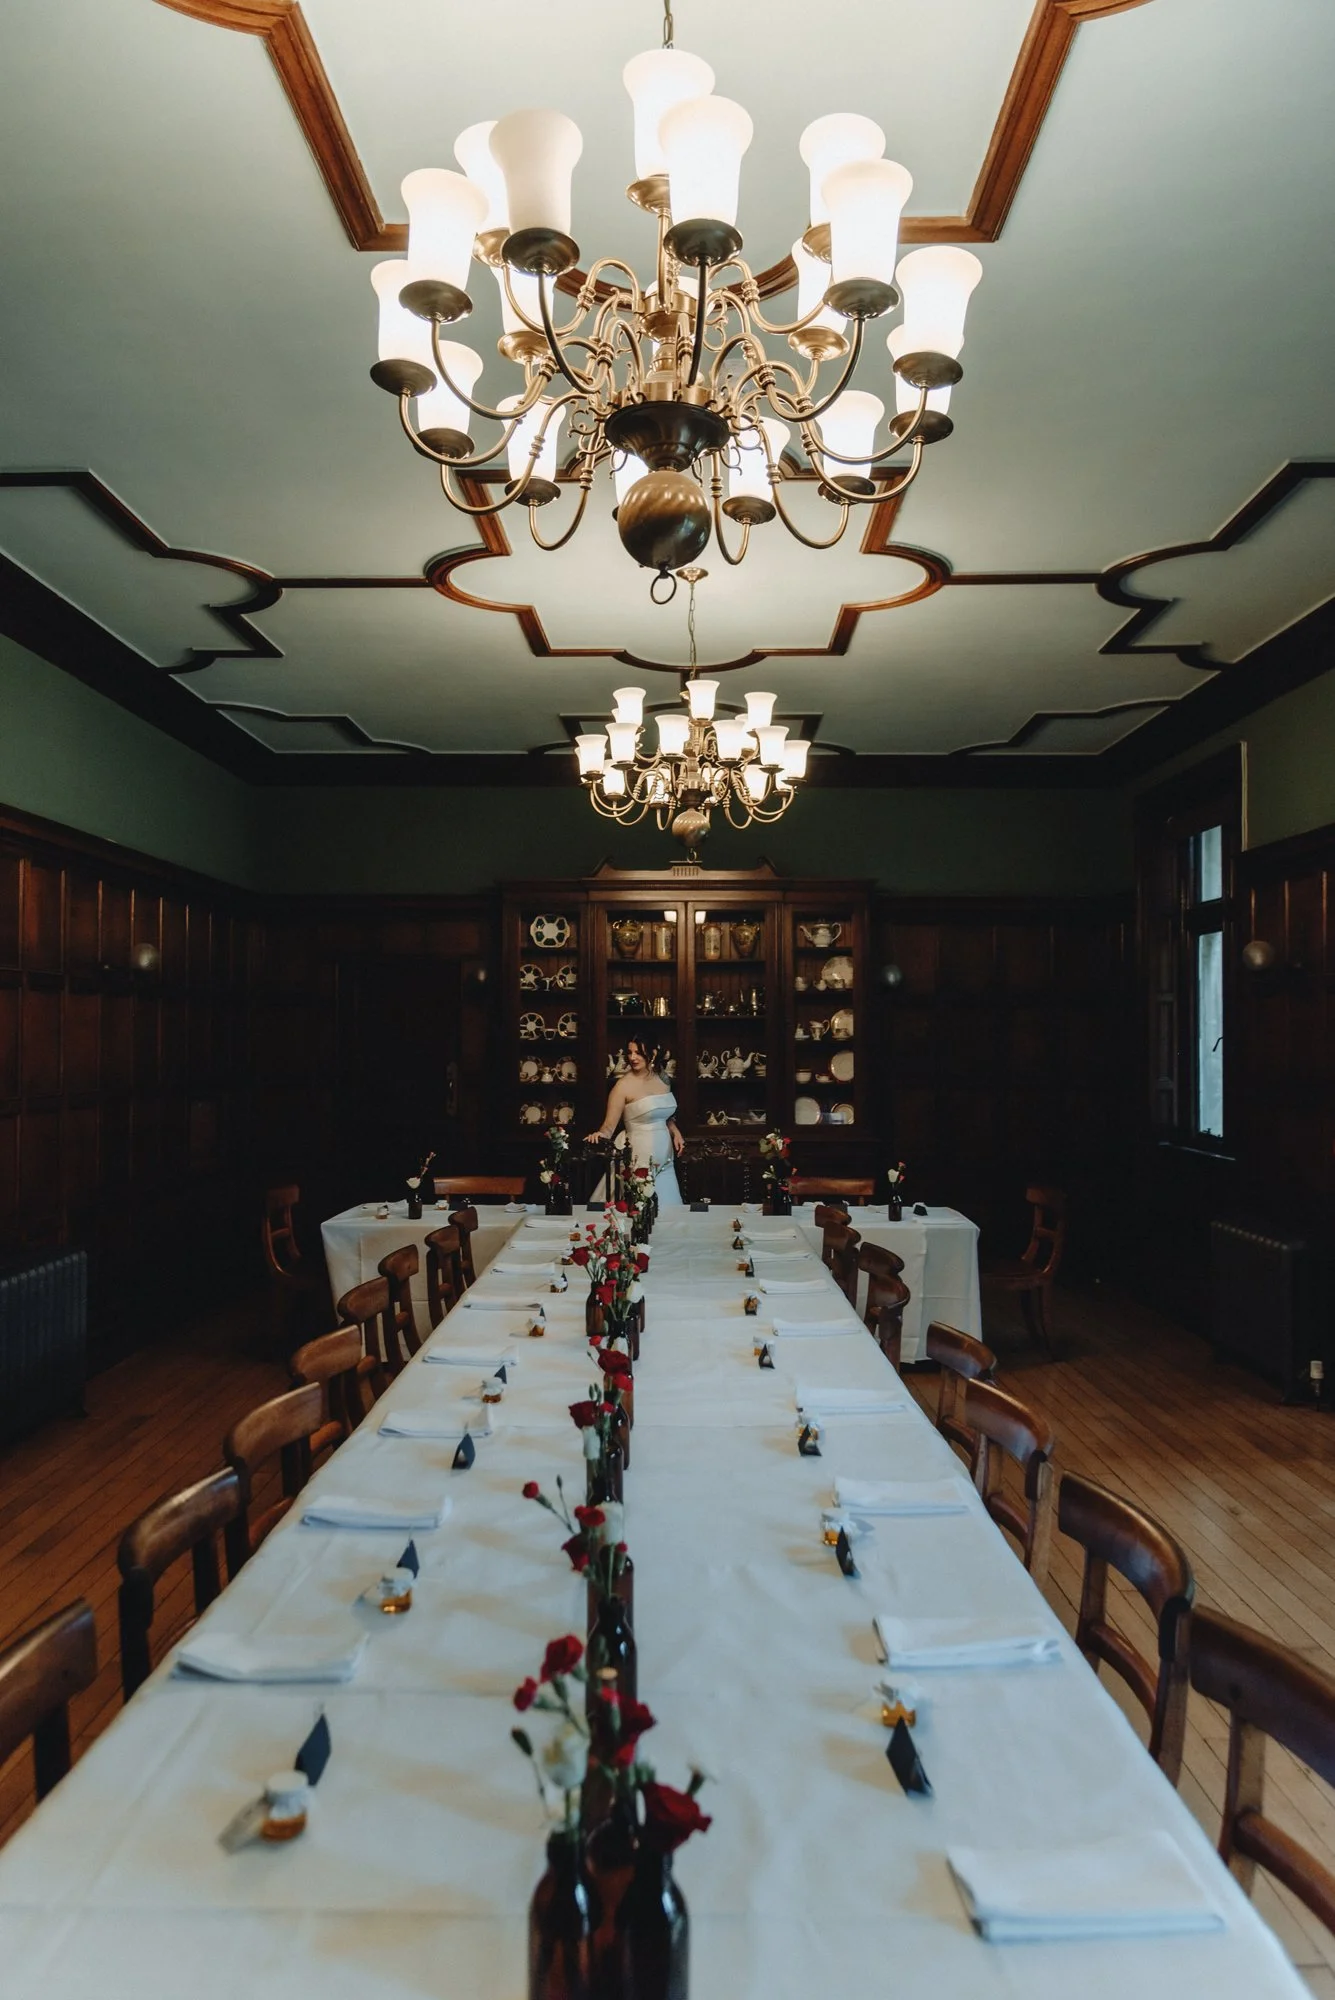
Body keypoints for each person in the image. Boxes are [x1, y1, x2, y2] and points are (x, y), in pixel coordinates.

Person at [586, 1037, 684, 1207]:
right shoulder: (622, 1086)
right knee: (641, 1213)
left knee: (670, 1213)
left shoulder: (663, 1078)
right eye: (630, 1052)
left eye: (638, 1052)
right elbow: (609, 1126)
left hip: (666, 1160)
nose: (632, 1057)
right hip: (639, 1158)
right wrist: (599, 1135)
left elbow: (663, 1114)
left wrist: (675, 1131)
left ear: (652, 1054)